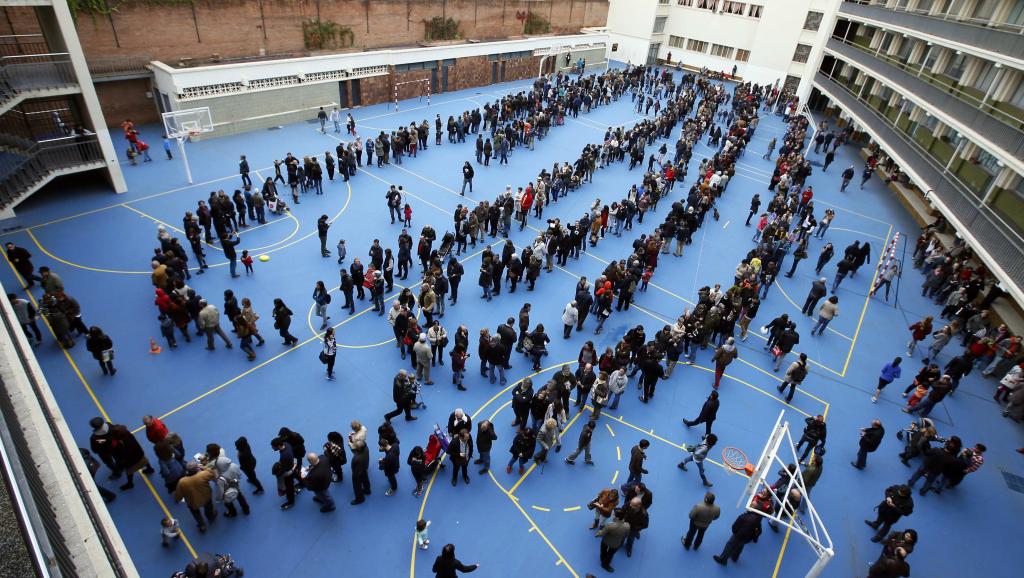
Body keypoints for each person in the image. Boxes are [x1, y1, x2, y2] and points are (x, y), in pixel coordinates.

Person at [173, 461, 217, 532]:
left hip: (193, 501)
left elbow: (178, 494)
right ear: (197, 468)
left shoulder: (182, 481)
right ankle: (210, 516)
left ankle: (202, 525)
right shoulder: (203, 475)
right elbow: (212, 474)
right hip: (206, 497)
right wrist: (204, 467)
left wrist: (177, 499)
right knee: (208, 508)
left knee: (195, 513)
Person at [596, 508, 630, 572]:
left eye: (613, 514)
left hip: (606, 541)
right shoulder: (627, 526)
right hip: (616, 544)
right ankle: (605, 563)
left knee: (603, 550)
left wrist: (597, 534)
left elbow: (601, 533)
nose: (612, 515)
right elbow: (626, 535)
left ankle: (603, 560)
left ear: (617, 518)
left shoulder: (610, 525)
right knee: (610, 554)